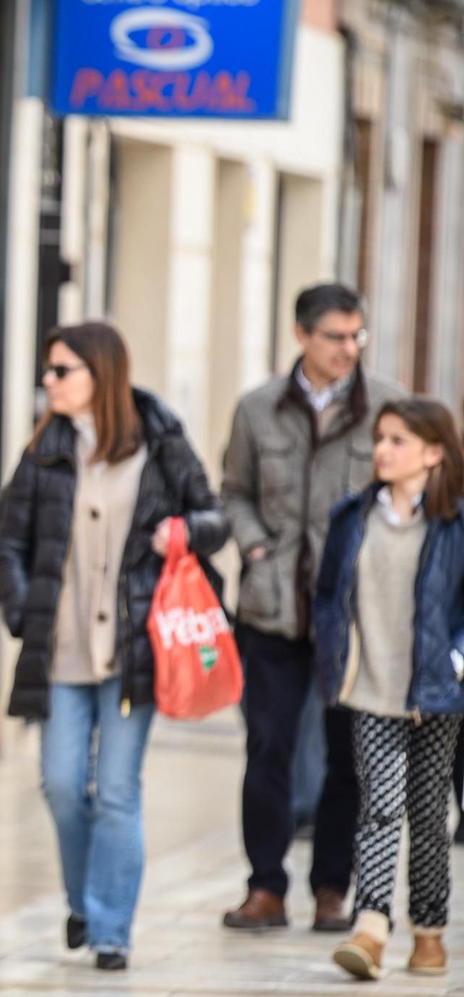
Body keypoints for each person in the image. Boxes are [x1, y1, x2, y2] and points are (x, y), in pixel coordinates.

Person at [0, 321, 229, 972]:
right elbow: (8, 543)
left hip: (135, 652)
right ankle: (84, 901)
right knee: (62, 785)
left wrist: (183, 530)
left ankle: (110, 930)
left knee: (118, 791)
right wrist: (25, 615)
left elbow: (216, 519)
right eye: (48, 369)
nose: (48, 380)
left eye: (60, 370)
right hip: (61, 651)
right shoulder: (44, 450)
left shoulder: (161, 440)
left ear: (100, 374)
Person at [219, 284, 405, 932]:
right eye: (335, 337)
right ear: (301, 335)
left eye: (357, 336)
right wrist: (255, 546)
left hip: (353, 616)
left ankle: (331, 889)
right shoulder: (257, 409)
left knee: (346, 757)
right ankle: (265, 888)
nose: (348, 349)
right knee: (267, 747)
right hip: (271, 610)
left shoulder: (386, 407)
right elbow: (234, 492)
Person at [313, 398, 464, 980]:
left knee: (427, 815)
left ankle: (429, 933)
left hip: (438, 692)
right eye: (380, 438)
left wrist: (457, 660)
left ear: (433, 452)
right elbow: (328, 594)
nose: (382, 450)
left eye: (398, 440)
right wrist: (334, 654)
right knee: (379, 804)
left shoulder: (455, 522)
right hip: (371, 687)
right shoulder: (352, 517)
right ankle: (371, 929)